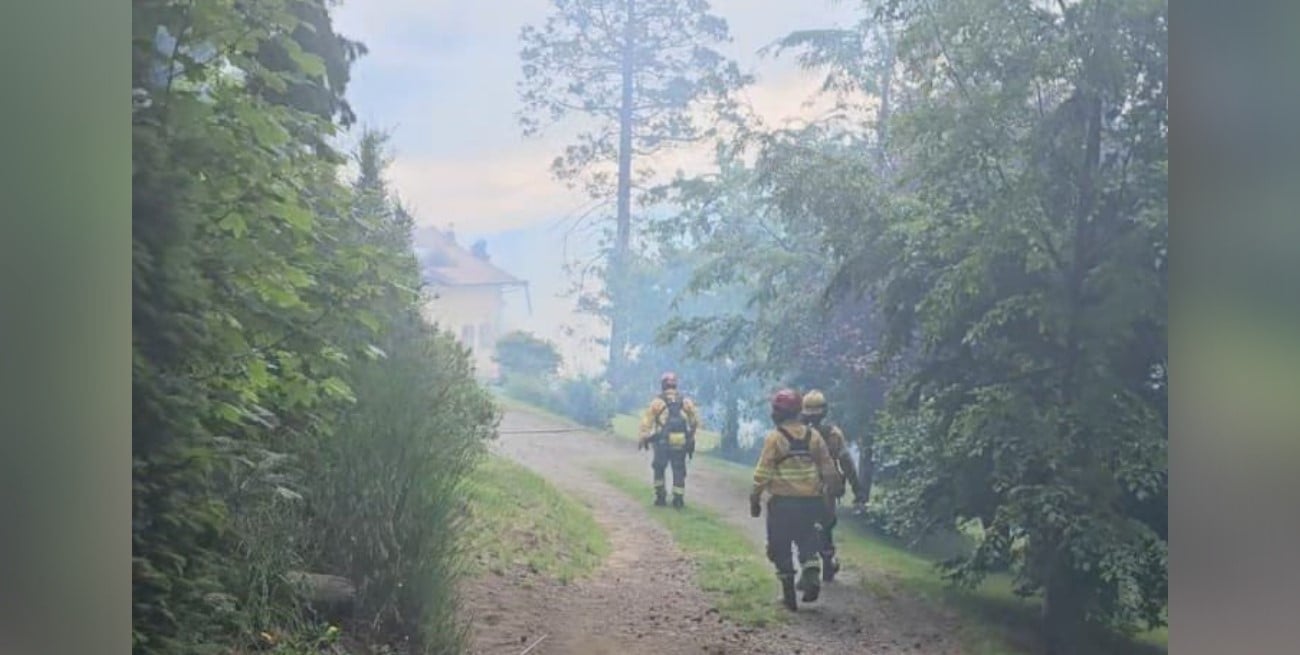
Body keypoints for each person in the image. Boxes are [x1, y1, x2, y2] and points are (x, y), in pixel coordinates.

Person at [749, 389, 843, 611]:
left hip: (782, 504)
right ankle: (811, 572)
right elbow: (828, 468)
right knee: (808, 541)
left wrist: (755, 498)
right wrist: (835, 490)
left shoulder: (775, 438)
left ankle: (789, 596)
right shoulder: (814, 437)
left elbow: (762, 473)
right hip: (811, 502)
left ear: (777, 413)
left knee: (779, 547)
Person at [801, 389, 867, 582]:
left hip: (800, 486)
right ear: (825, 411)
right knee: (826, 525)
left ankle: (809, 563)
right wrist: (858, 490)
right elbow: (846, 462)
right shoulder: (834, 434)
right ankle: (827, 559)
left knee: (802, 526)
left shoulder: (796, 432)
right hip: (826, 489)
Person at [637, 372, 700, 509]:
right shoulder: (685, 401)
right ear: (675, 385)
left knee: (659, 468)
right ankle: (678, 500)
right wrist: (691, 437)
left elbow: (647, 422)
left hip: (662, 443)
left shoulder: (657, 402)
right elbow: (694, 421)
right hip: (680, 442)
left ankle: (660, 498)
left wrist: (643, 437)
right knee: (678, 469)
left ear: (663, 385)